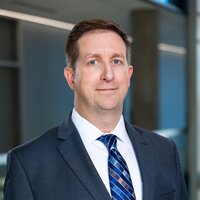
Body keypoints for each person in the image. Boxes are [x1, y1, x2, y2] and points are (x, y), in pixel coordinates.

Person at [3, 19, 188, 200]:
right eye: (94, 62)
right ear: (71, 77)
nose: (108, 75)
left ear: (128, 74)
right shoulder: (28, 164)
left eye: (116, 61)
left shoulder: (164, 151)